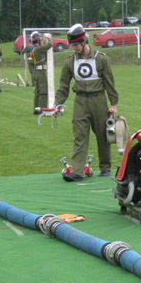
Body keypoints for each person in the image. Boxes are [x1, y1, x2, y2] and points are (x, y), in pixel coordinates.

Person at [54, 23, 119, 182]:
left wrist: (113, 104)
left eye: (76, 44)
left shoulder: (101, 59)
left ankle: (105, 167)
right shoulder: (70, 62)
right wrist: (57, 104)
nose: (74, 47)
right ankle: (77, 171)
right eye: (72, 45)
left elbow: (109, 83)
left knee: (103, 135)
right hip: (80, 101)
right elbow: (63, 86)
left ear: (84, 41)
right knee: (79, 135)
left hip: (99, 100)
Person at [30, 31, 53, 113]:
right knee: (43, 91)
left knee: (38, 91)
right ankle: (42, 110)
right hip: (41, 72)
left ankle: (36, 109)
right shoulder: (38, 49)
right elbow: (50, 44)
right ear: (38, 41)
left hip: (36, 71)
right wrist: (48, 38)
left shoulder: (34, 49)